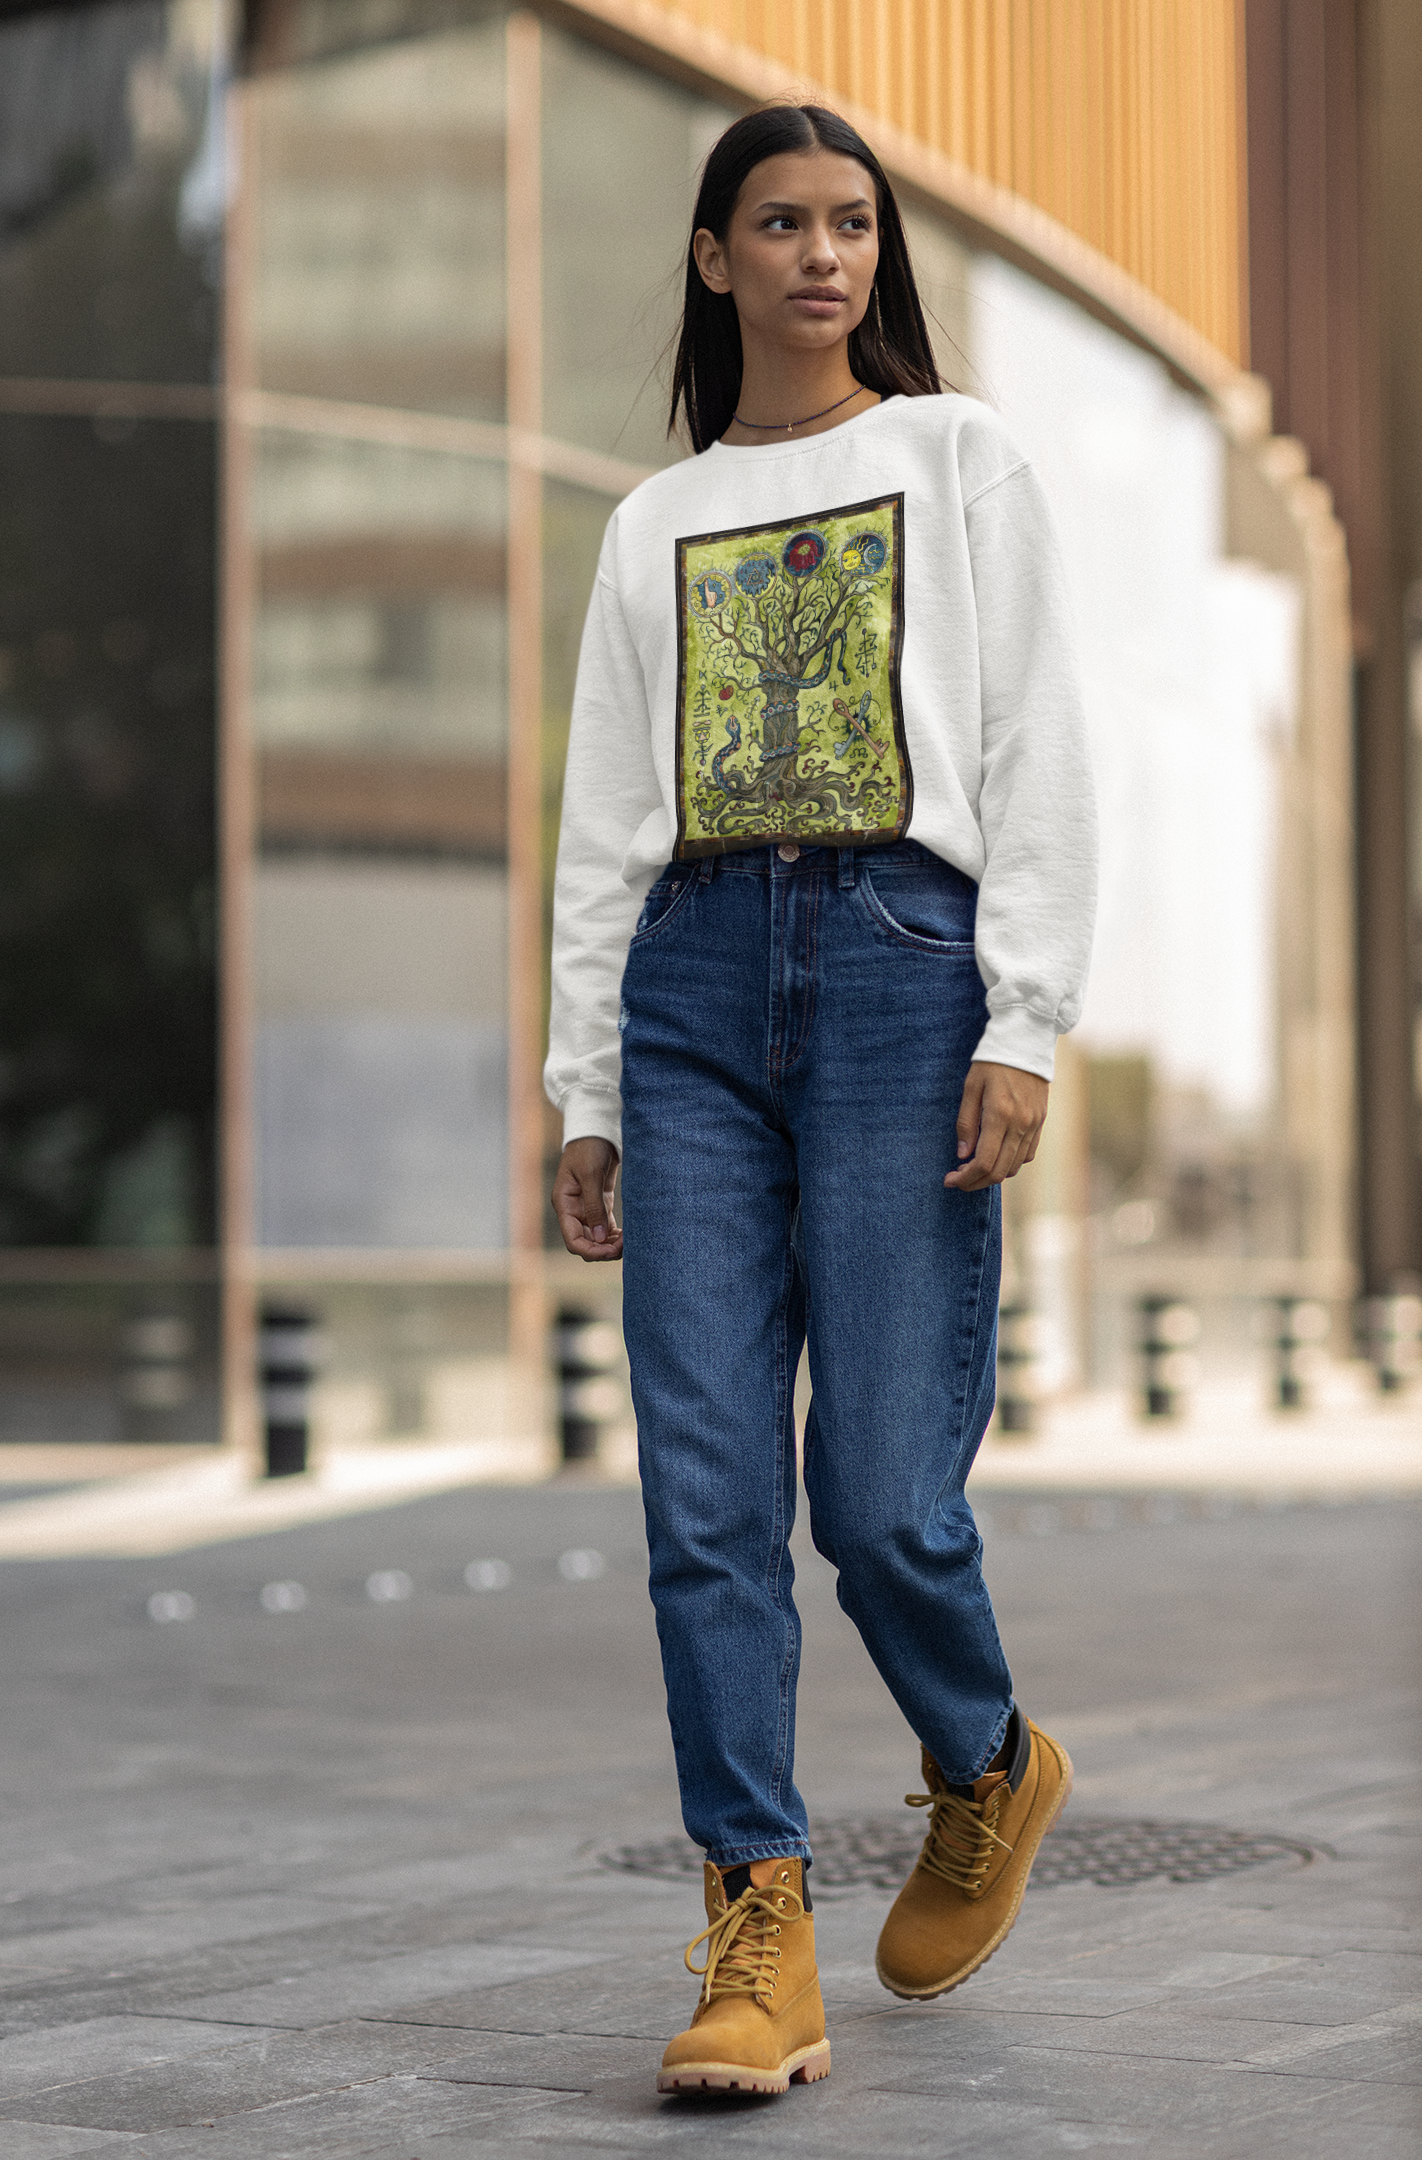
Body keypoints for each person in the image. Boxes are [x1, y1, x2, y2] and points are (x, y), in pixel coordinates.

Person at [544, 103, 1097, 2098]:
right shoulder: (651, 522)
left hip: (897, 970)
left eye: (851, 224)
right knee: (704, 1501)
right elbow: (604, 827)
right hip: (687, 987)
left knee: (876, 1497)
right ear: (713, 260)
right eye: (777, 223)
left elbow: (1035, 748)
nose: (820, 255)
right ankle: (752, 1930)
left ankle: (987, 1760)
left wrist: (1023, 1017)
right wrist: (583, 1081)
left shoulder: (957, 459)